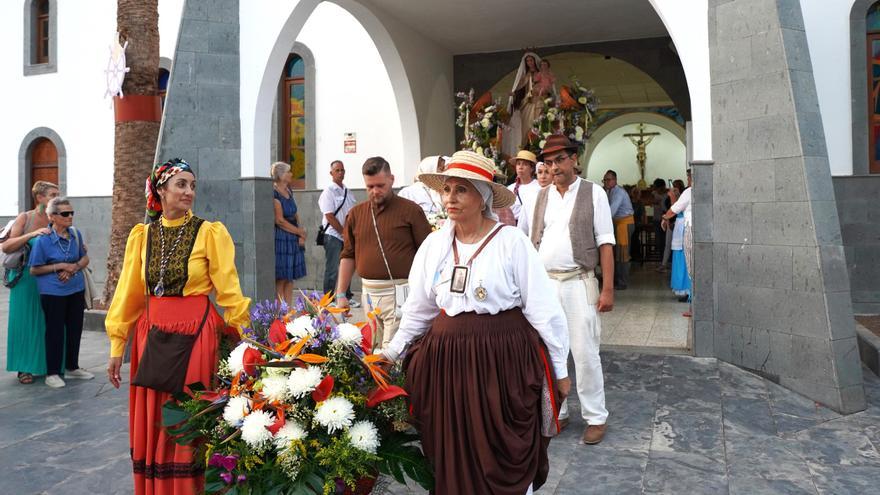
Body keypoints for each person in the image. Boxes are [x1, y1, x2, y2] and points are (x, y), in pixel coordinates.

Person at [383, 150, 571, 495]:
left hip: (501, 363)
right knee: (452, 452)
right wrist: (391, 352)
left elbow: (544, 310)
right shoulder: (434, 245)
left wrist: (560, 370)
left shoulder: (512, 242)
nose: (450, 198)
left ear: (482, 196)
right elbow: (418, 309)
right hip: (446, 366)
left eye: (461, 190)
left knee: (504, 448)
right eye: (446, 190)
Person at [104, 158, 251, 494]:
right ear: (161, 190)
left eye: (192, 185)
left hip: (196, 335)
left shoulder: (208, 233)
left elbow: (229, 289)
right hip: (151, 336)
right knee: (155, 416)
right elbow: (128, 293)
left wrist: (243, 340)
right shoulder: (141, 237)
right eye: (181, 184)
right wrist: (117, 346)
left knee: (187, 417)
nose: (189, 192)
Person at [520, 134, 615, 446]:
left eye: (560, 159)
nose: (554, 166)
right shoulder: (540, 196)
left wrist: (608, 290)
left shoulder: (594, 193)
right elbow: (528, 240)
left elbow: (605, 243)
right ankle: (557, 412)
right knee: (548, 351)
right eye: (549, 161)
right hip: (546, 285)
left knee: (585, 352)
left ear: (574, 158)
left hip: (579, 282)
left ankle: (596, 417)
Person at [335, 157, 431, 349]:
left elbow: (428, 253)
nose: (375, 191)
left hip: (401, 292)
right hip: (368, 292)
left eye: (380, 185)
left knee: (393, 351)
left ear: (392, 179)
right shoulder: (355, 214)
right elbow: (348, 255)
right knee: (373, 348)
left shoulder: (411, 210)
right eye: (370, 186)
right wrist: (340, 294)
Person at [28, 197, 94, 388]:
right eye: (65, 213)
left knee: (75, 329)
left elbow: (85, 259)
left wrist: (72, 267)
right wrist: (60, 266)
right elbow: (34, 269)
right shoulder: (43, 241)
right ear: (52, 217)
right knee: (55, 331)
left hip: (75, 289)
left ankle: (72, 367)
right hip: (52, 292)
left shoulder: (75, 234)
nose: (70, 216)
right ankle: (52, 373)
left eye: (71, 212)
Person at [2, 181, 59, 384]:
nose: (56, 198)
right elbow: (7, 246)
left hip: (50, 277)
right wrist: (32, 234)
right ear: (40, 198)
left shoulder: (57, 218)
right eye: (53, 194)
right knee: (25, 321)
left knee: (48, 321)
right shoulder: (25, 217)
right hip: (25, 278)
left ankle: (49, 365)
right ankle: (24, 368)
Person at [318, 160, 357, 303]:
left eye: (342, 170)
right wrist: (342, 232)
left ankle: (346, 296)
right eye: (337, 170)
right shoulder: (328, 191)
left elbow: (351, 212)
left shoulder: (347, 190)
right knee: (332, 268)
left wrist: (349, 232)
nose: (340, 173)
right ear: (331, 173)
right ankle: (328, 298)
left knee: (347, 265)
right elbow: (329, 215)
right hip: (333, 235)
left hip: (345, 235)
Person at [271, 161, 306, 304]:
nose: (291, 174)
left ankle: (288, 310)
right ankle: (280, 312)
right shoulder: (274, 193)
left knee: (290, 277)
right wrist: (299, 231)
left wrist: (300, 233)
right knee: (282, 278)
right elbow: (279, 220)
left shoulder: (289, 190)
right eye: (288, 172)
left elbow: (295, 213)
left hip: (292, 237)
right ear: (280, 175)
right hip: (282, 238)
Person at [662, 169, 693, 316]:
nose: (688, 179)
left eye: (689, 176)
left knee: (686, 261)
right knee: (688, 262)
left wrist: (665, 217)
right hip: (687, 229)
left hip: (686, 229)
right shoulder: (690, 191)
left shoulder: (688, 192)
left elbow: (674, 210)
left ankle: (688, 292)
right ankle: (689, 294)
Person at [503, 52, 543, 158]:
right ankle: (526, 149)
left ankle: (537, 148)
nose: (530, 62)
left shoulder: (541, 74)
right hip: (527, 103)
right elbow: (520, 90)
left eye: (531, 60)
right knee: (525, 128)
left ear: (535, 61)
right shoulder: (526, 75)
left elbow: (547, 88)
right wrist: (514, 94)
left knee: (537, 126)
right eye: (527, 61)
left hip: (538, 102)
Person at [603, 170, 635, 290]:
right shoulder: (609, 191)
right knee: (617, 253)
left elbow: (611, 211)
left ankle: (623, 282)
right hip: (617, 224)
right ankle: (617, 279)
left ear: (615, 180)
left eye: (608, 179)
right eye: (605, 180)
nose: (606, 182)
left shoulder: (618, 193)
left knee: (623, 254)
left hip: (624, 224)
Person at [665, 180, 690, 302]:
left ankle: (685, 289)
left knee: (683, 260)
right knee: (680, 259)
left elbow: (675, 210)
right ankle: (682, 289)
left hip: (683, 228)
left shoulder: (686, 194)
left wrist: (672, 198)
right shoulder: (686, 194)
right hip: (679, 229)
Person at [507, 149, 542, 224]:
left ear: (532, 168)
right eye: (518, 164)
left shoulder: (539, 187)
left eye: (525, 164)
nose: (520, 167)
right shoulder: (510, 189)